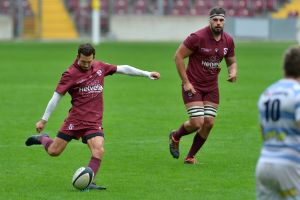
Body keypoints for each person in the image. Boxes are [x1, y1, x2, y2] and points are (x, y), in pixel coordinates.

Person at [25, 43, 160, 190]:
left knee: (99, 150)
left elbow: (124, 68)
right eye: (83, 61)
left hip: (94, 121)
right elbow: (56, 98)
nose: (86, 64)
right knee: (54, 151)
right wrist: (43, 120)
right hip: (75, 120)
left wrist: (147, 74)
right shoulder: (70, 74)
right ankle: (42, 138)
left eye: (89, 61)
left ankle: (88, 182)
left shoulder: (99, 67)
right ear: (77, 57)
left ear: (93, 58)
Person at [169, 7, 238, 164]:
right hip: (193, 85)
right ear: (210, 21)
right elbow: (178, 56)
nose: (218, 23)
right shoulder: (197, 37)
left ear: (224, 21)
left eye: (221, 20)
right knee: (197, 122)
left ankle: (190, 156)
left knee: (209, 123)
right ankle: (175, 136)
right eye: (215, 20)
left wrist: (233, 72)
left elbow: (232, 62)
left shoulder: (228, 40)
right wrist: (186, 82)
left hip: (211, 88)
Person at [256, 45, 300, 199]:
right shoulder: (297, 93)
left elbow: (263, 131)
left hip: (264, 164)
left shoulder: (268, 93)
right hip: (290, 164)